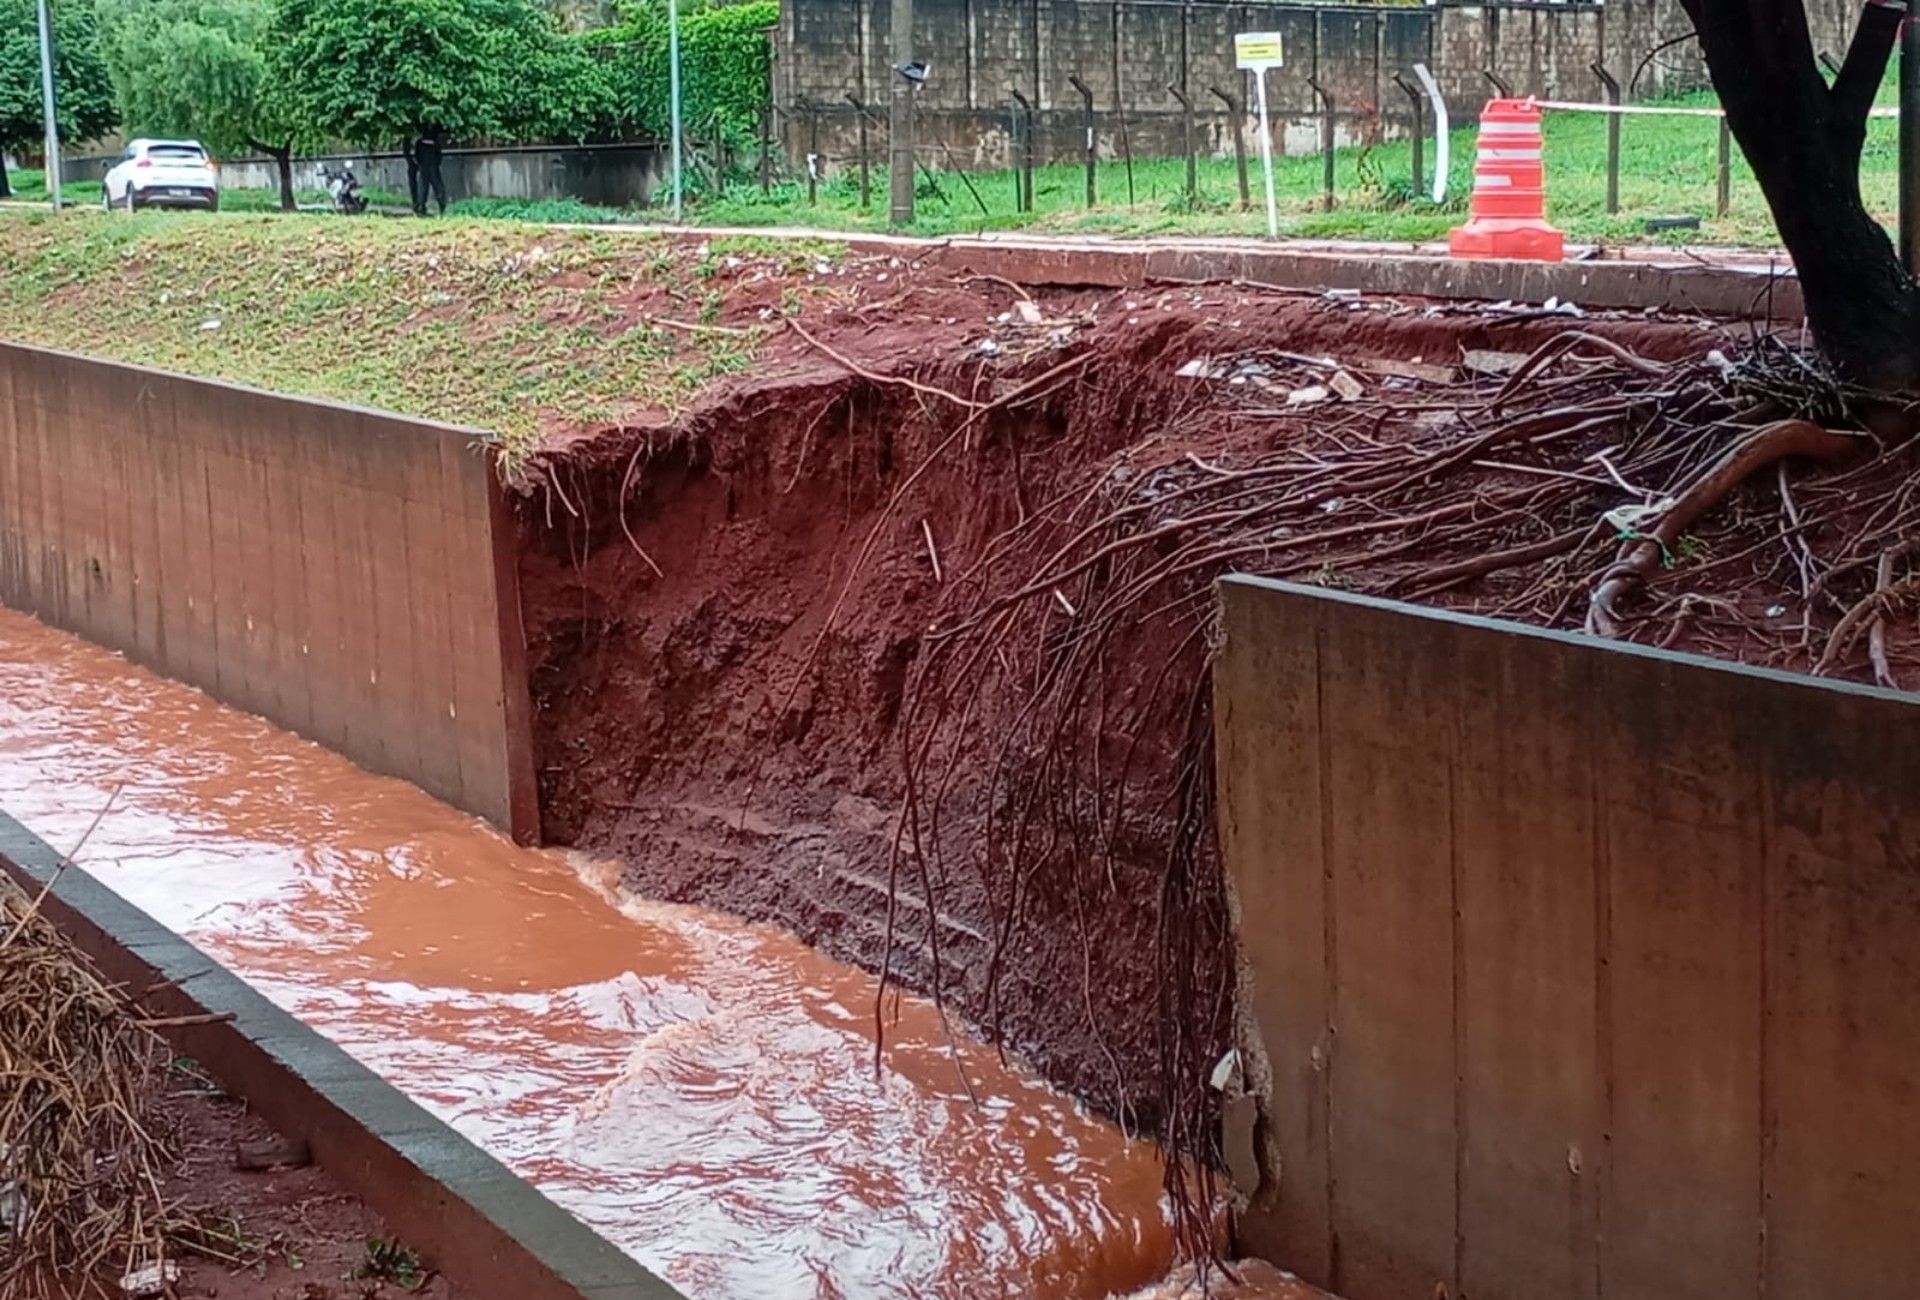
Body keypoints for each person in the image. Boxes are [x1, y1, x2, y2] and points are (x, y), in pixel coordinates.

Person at [414, 128, 448, 216]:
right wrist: (436, 163)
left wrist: (420, 163)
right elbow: (439, 155)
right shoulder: (435, 143)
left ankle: (421, 206)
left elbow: (417, 155)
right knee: (438, 186)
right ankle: (442, 205)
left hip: (423, 167)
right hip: (433, 167)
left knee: (422, 187)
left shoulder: (419, 143)